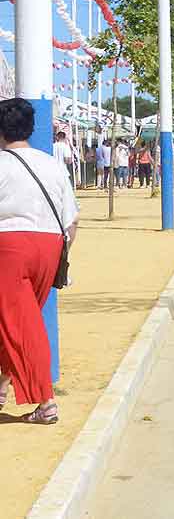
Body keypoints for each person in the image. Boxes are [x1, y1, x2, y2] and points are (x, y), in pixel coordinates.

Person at [0, 98, 79, 424]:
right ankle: (3, 384)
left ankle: (46, 403)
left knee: (21, 326)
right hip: (50, 247)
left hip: (9, 248)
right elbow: (71, 221)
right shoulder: (52, 165)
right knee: (14, 322)